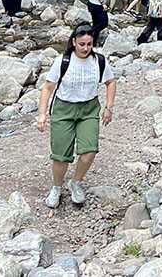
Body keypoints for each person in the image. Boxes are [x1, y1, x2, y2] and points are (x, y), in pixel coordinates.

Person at [37, 23, 117, 209]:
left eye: (89, 44)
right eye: (81, 44)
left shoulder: (99, 61)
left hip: (89, 110)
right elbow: (48, 87)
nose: (85, 48)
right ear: (74, 42)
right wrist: (42, 114)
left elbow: (111, 82)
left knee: (89, 151)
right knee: (61, 156)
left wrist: (109, 107)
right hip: (64, 110)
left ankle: (76, 182)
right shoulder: (63, 61)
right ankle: (57, 187)